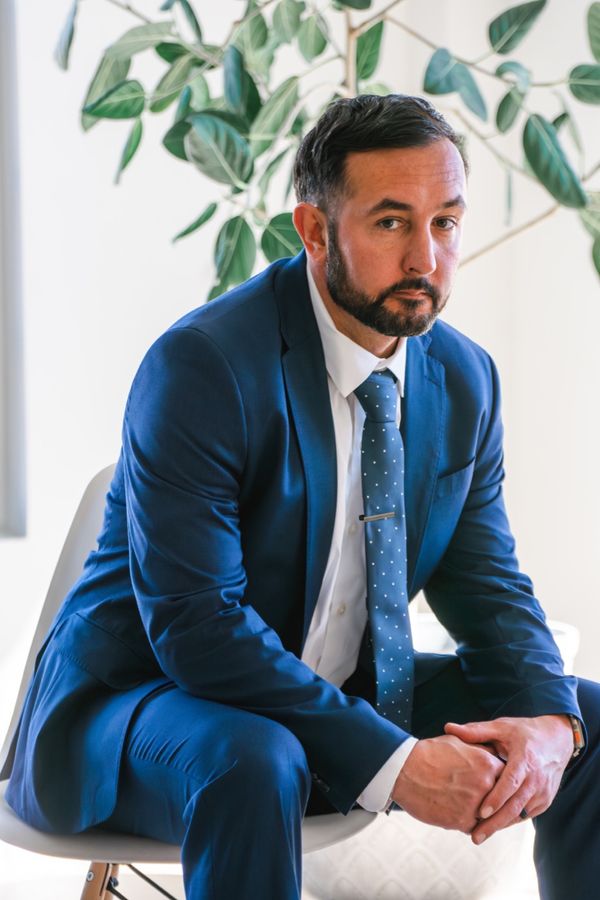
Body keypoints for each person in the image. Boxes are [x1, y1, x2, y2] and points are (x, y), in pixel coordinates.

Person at [4, 94, 599, 900]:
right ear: (315, 230)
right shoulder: (204, 366)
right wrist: (395, 763)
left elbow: (487, 587)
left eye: (446, 223)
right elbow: (197, 629)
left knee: (586, 719)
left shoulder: (464, 379)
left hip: (329, 695)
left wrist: (552, 725)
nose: (425, 256)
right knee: (256, 757)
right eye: (391, 222)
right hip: (140, 703)